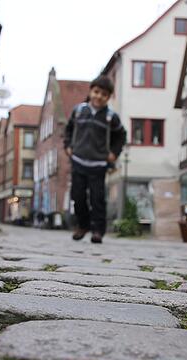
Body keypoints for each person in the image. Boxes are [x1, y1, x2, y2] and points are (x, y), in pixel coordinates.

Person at [64, 75, 126, 244]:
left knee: (97, 199)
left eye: (104, 94)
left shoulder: (110, 117)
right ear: (91, 91)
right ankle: (82, 225)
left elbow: (121, 136)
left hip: (99, 164)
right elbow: (68, 129)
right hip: (78, 160)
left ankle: (98, 230)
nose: (99, 96)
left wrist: (114, 152)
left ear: (109, 97)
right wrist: (68, 146)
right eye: (96, 92)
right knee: (77, 196)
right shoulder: (79, 111)